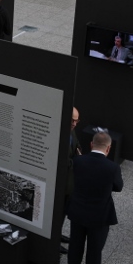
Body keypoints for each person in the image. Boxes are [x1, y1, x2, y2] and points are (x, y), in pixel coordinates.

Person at [67, 132, 123, 264]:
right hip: (100, 216)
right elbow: (118, 187)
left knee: (76, 244)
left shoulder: (78, 161)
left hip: (77, 211)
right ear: (109, 148)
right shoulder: (112, 168)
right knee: (94, 248)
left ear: (92, 144)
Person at [59, 106, 82, 255]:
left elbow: (78, 147)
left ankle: (58, 234)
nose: (74, 123)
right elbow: (62, 160)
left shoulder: (71, 131)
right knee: (58, 212)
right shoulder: (60, 133)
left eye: (77, 120)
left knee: (63, 212)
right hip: (61, 184)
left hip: (69, 183)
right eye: (72, 120)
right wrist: (76, 161)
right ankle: (54, 241)